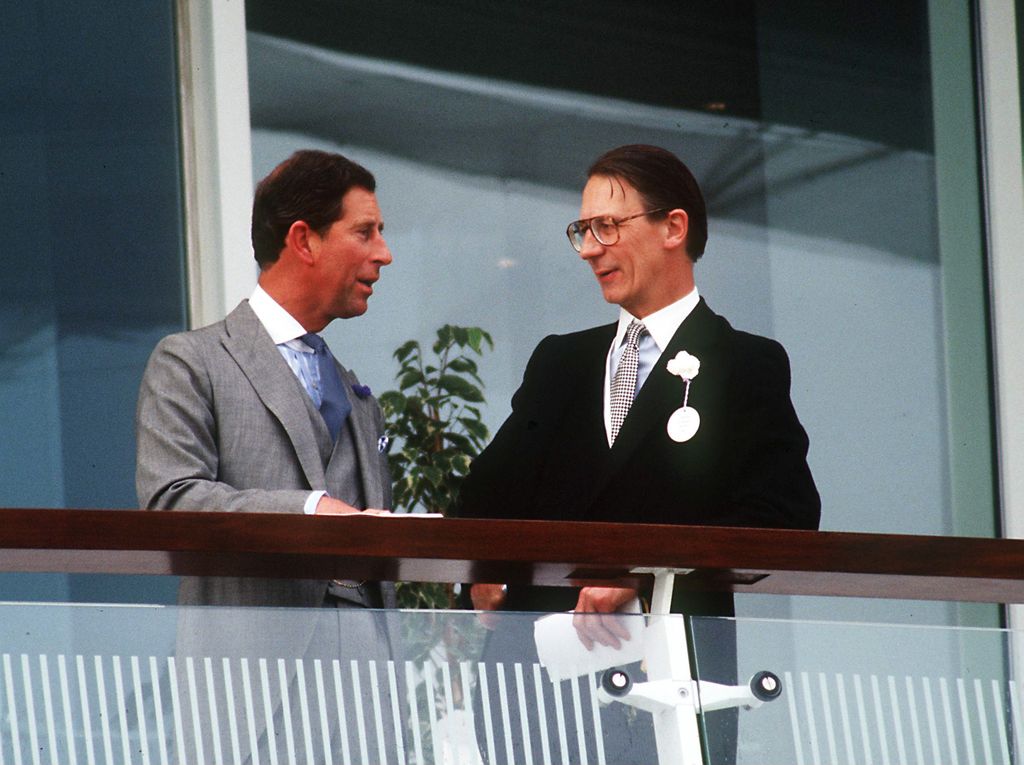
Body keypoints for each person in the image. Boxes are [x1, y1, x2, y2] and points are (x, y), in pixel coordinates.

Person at [458, 144, 821, 763]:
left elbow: (782, 517)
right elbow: (483, 498)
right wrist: (482, 572)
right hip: (540, 694)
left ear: (673, 227)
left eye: (608, 226)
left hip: (673, 686)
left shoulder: (744, 364)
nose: (591, 248)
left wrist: (639, 572)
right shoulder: (562, 362)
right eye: (583, 231)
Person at [135, 149, 397, 762]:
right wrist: (310, 510)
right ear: (303, 239)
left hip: (367, 709)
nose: (383, 253)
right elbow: (171, 500)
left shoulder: (358, 394)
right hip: (249, 700)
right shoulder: (191, 362)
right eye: (365, 232)